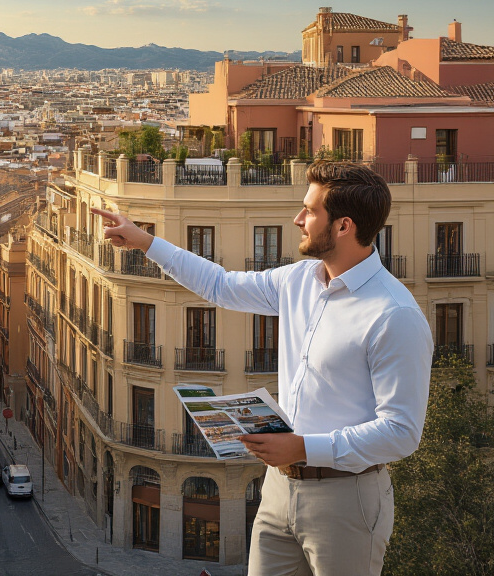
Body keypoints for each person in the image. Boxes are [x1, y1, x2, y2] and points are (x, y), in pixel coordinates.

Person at [91, 160, 432, 576]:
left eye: (309, 211)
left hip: (348, 499)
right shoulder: (299, 281)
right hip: (278, 489)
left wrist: (305, 447)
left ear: (343, 226)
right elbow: (221, 285)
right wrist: (145, 242)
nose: (298, 219)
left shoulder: (394, 315)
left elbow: (401, 432)